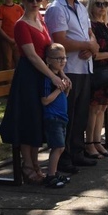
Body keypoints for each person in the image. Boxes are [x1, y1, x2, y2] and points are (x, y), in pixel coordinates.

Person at [0, 0, 70, 183]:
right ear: (22, 1)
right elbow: (32, 56)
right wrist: (54, 77)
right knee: (28, 122)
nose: (34, 3)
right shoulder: (21, 25)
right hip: (29, 77)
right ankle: (28, 166)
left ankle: (37, 166)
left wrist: (62, 73)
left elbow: (51, 52)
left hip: (44, 75)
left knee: (38, 121)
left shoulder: (41, 19)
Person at [45, 0, 99, 172]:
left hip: (85, 67)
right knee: (67, 115)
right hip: (69, 69)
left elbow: (90, 32)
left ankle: (77, 152)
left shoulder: (81, 7)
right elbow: (60, 40)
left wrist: (91, 45)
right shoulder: (56, 9)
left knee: (81, 115)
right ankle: (64, 158)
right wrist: (87, 44)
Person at [85, 0, 108, 158]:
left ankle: (98, 141)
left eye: (105, 4)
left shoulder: (104, 25)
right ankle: (89, 143)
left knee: (103, 107)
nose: (102, 8)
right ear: (91, 6)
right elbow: (92, 54)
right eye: (98, 4)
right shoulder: (90, 26)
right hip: (97, 71)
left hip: (107, 71)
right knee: (94, 109)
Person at [41, 43, 71, 188]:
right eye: (58, 59)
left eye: (64, 58)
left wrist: (66, 89)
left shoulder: (60, 76)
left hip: (62, 116)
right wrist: (60, 89)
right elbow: (45, 100)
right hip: (52, 117)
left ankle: (54, 171)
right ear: (48, 60)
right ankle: (50, 176)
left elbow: (64, 95)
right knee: (57, 147)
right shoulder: (48, 78)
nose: (62, 61)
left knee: (61, 147)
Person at [0, 0, 23, 70]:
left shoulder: (18, 8)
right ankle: (8, 82)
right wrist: (9, 39)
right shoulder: (0, 9)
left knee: (20, 62)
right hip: (6, 40)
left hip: (18, 40)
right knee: (8, 63)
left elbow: (24, 23)